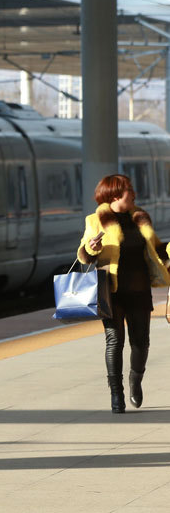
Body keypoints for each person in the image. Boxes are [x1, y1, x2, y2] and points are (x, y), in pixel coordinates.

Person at [78, 174, 170, 414]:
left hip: (139, 289)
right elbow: (83, 255)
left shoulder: (140, 217)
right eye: (129, 189)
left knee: (141, 342)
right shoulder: (95, 220)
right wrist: (92, 248)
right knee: (114, 341)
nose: (134, 193)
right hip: (111, 291)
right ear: (115, 194)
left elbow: (157, 249)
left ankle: (135, 380)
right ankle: (116, 393)